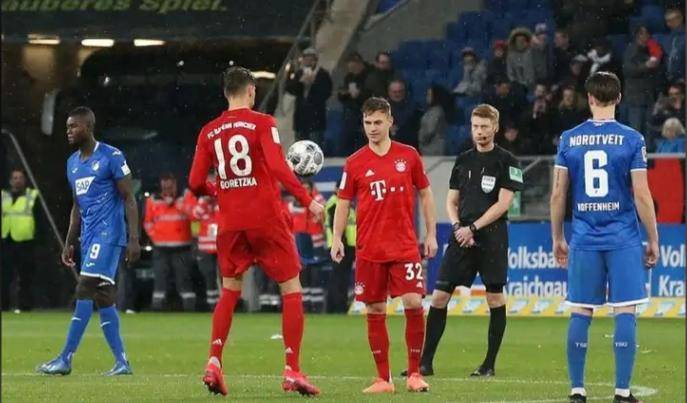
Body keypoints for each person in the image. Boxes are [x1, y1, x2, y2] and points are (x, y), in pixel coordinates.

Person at [188, 66, 324, 396]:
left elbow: (194, 182)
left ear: (225, 93)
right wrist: (307, 200)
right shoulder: (263, 123)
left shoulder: (208, 131)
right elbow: (277, 166)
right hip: (266, 218)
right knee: (291, 287)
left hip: (231, 223)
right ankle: (292, 369)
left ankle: (214, 362)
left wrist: (219, 190)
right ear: (251, 90)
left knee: (229, 290)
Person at [550, 71, 659, 403]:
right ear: (619, 98)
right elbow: (642, 195)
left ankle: (577, 390)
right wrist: (653, 238)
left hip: (584, 237)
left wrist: (557, 236)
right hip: (623, 237)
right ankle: (622, 392)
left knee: (581, 310)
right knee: (625, 310)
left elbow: (558, 194)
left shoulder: (569, 138)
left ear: (589, 98)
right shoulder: (632, 139)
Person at [330, 97, 438, 394]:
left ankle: (414, 374)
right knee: (375, 308)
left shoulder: (409, 155)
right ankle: (383, 379)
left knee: (413, 302)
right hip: (370, 248)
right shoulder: (354, 162)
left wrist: (431, 234)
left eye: (378, 122)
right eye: (367, 123)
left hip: (404, 246)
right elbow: (343, 202)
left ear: (390, 121)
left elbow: (426, 194)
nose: (373, 128)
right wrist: (337, 237)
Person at [413, 104, 524, 378]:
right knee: (439, 295)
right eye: (475, 126)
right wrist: (458, 227)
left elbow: (503, 204)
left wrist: (473, 227)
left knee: (494, 297)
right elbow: (451, 201)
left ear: (495, 128)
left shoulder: (509, 161)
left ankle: (488, 364)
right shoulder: (463, 160)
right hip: (461, 236)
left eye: (485, 126)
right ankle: (425, 363)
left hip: (492, 236)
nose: (480, 132)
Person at [37, 106, 140, 376]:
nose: (69, 131)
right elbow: (77, 206)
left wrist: (134, 238)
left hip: (110, 234)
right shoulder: (72, 163)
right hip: (89, 237)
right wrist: (69, 241)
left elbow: (129, 198)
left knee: (84, 288)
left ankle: (65, 358)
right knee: (104, 297)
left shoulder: (111, 156)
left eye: (74, 126)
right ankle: (122, 363)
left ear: (88, 127)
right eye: (67, 127)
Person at [144, 173, 196, 311]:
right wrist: (156, 237)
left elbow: (194, 215)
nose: (167, 191)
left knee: (184, 280)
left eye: (170, 187)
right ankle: (157, 308)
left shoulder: (185, 196)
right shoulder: (153, 200)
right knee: (160, 280)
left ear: (175, 185)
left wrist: (180, 205)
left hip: (182, 246)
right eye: (165, 188)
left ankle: (190, 309)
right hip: (160, 247)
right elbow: (147, 223)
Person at [1, 168, 39, 312]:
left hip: (25, 242)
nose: (17, 180)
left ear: (25, 180)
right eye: (15, 178)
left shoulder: (32, 196)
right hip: (6, 241)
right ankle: (4, 306)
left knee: (26, 276)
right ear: (10, 181)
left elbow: (39, 220)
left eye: (20, 178)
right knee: (5, 276)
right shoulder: (3, 196)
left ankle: (25, 306)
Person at [285, 47, 333, 147]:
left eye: (310, 59)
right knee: (300, 147)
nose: (307, 61)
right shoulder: (299, 73)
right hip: (301, 118)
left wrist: (313, 84)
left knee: (314, 147)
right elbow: (290, 88)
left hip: (316, 118)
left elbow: (326, 93)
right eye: (306, 59)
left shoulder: (323, 74)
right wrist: (300, 82)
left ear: (315, 60)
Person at [623, 25, 661, 137]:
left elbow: (660, 70)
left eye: (647, 33)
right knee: (636, 130)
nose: (645, 36)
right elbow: (628, 70)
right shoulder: (631, 50)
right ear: (636, 35)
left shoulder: (654, 48)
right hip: (635, 97)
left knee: (649, 131)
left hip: (650, 96)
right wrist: (645, 66)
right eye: (641, 33)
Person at [190, 171, 221, 310]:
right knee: (209, 276)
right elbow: (194, 216)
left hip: (222, 246)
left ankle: (228, 304)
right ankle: (212, 304)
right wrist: (204, 202)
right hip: (205, 247)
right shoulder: (202, 202)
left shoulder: (224, 199)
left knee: (226, 276)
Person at [323, 184, 356, 313]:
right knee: (338, 278)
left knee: (342, 277)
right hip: (340, 246)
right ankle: (338, 307)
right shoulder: (334, 203)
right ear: (336, 189)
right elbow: (335, 226)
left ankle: (337, 306)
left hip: (348, 246)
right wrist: (341, 243)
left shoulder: (346, 203)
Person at [338, 52, 370, 156]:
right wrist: (344, 94)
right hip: (351, 114)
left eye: (353, 66)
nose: (352, 69)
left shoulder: (369, 76)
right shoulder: (349, 77)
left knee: (362, 141)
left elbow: (370, 94)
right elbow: (342, 95)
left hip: (364, 113)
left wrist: (359, 95)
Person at [387, 79, 422, 149]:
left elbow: (417, 132)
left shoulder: (415, 109)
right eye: (394, 92)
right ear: (389, 92)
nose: (397, 94)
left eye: (400, 91)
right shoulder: (381, 108)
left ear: (405, 92)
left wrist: (398, 131)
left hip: (409, 146)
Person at [419, 85, 450, 155]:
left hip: (433, 149)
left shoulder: (436, 112)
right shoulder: (433, 111)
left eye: (429, 95)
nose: (427, 97)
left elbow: (430, 130)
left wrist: (421, 138)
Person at [664, 8, 685, 82]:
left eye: (671, 20)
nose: (668, 24)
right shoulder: (669, 37)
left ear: (680, 18)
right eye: (667, 21)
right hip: (670, 79)